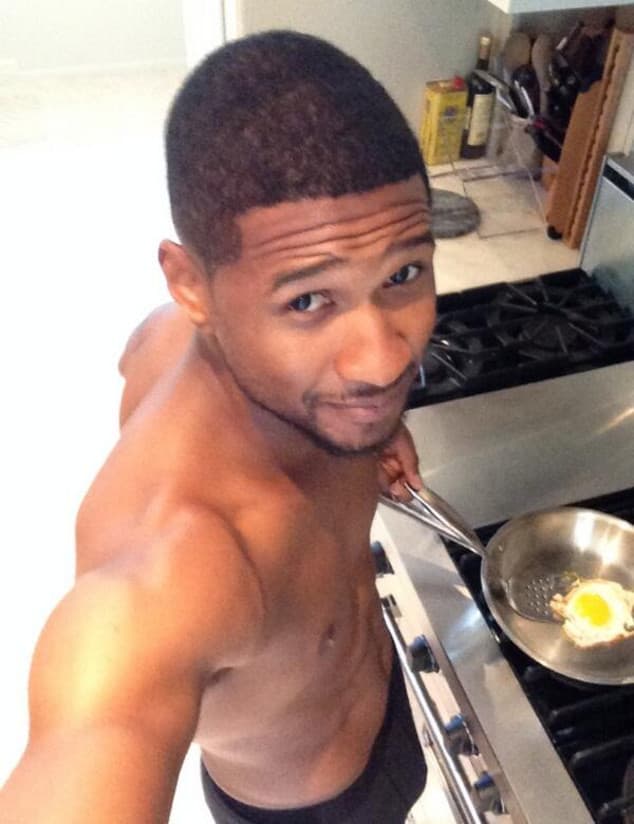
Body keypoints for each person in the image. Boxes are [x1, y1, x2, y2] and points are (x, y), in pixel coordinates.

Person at [0, 30, 436, 824]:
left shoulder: (254, 362)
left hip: (384, 693)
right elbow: (96, 729)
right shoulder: (171, 579)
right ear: (190, 284)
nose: (382, 360)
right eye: (309, 301)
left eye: (403, 274)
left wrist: (374, 437)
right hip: (304, 808)